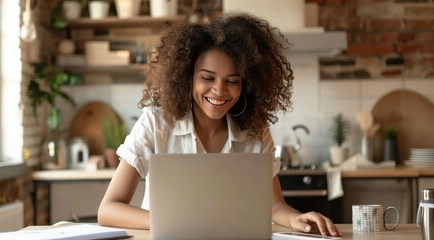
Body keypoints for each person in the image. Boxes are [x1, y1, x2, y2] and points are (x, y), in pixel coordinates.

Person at [97, 13, 340, 237]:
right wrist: (175, 222)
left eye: (232, 81)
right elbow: (108, 209)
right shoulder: (155, 124)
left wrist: (298, 219)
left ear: (246, 84)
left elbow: (274, 206)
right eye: (207, 78)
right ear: (187, 77)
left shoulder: (255, 131)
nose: (219, 91)